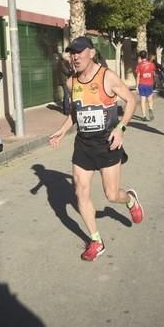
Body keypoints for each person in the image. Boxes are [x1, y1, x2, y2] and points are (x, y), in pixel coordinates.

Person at [49, 37, 142, 262]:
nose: (75, 57)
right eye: (72, 53)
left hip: (107, 144)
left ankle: (129, 199)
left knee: (111, 195)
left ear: (91, 53)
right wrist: (62, 130)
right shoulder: (72, 82)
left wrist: (121, 128)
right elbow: (76, 112)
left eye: (79, 52)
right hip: (83, 145)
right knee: (80, 191)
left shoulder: (106, 77)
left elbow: (131, 100)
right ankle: (96, 240)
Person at [135, 50, 156, 121]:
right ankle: (150, 109)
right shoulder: (151, 64)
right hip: (150, 83)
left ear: (140, 57)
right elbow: (153, 74)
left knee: (143, 100)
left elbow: (138, 76)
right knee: (150, 99)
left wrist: (137, 86)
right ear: (146, 56)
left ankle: (144, 116)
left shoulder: (139, 65)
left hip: (142, 84)